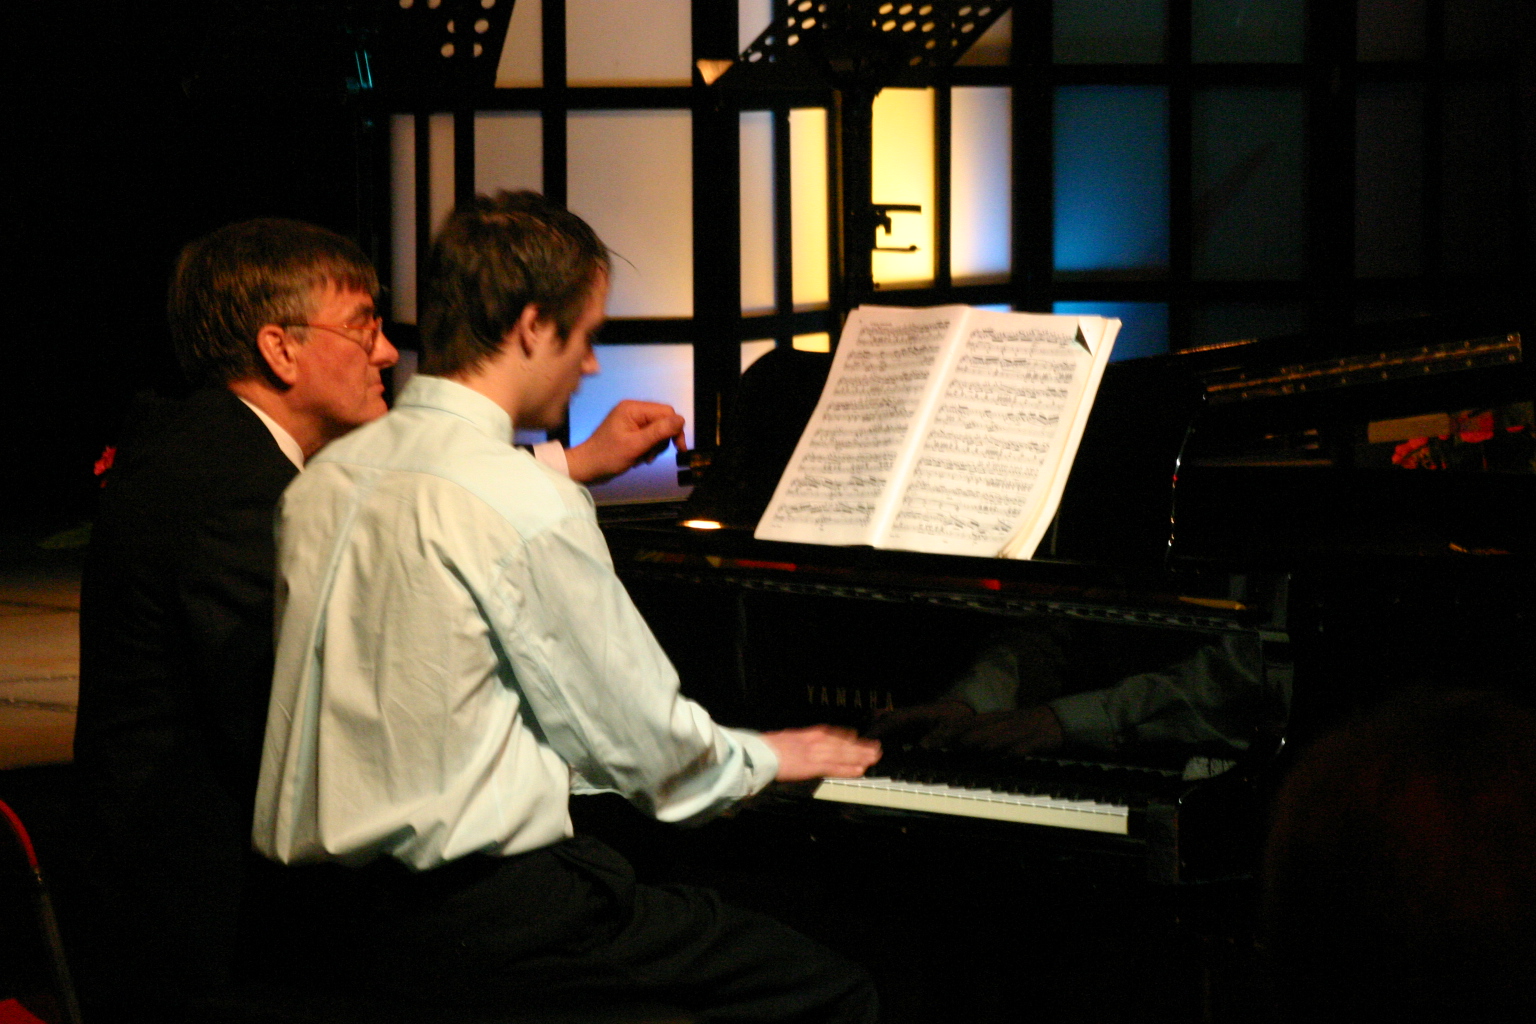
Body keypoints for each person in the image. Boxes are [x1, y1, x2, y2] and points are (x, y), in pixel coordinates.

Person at [253, 191, 883, 1022]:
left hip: (323, 917)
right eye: (584, 337)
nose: (589, 365)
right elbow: (645, 746)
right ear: (530, 327)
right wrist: (770, 756)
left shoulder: (324, 480)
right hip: (490, 921)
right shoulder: (525, 503)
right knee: (831, 991)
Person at [72, 216, 685, 1018]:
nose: (390, 352)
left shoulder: (216, 447)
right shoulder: (229, 494)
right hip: (217, 940)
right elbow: (326, 732)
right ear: (280, 350)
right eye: (363, 327)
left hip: (257, 899)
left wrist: (571, 463)